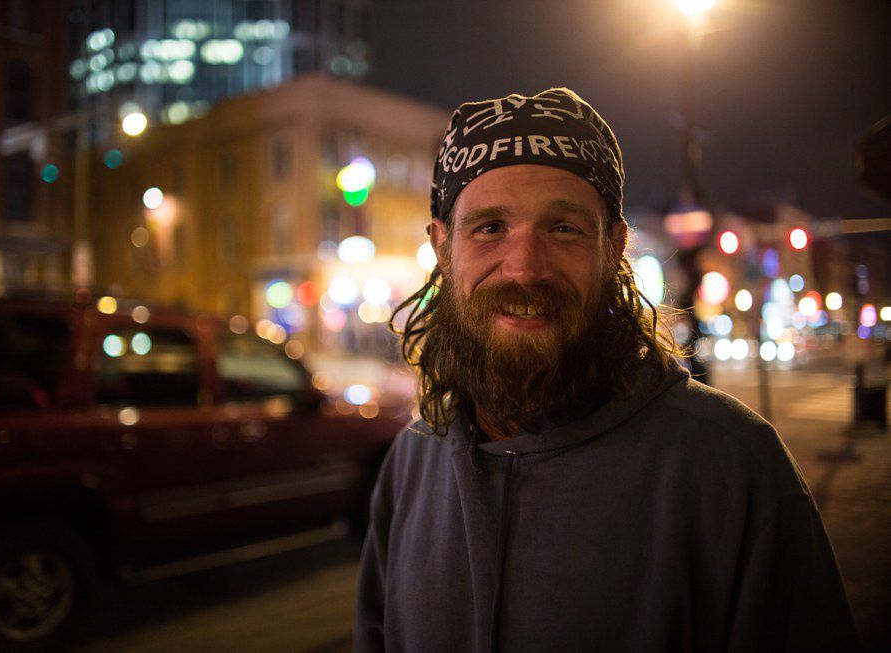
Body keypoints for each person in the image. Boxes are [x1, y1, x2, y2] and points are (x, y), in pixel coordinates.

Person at [353, 88, 860, 652]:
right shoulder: (412, 460)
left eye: (563, 228)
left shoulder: (732, 465)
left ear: (614, 247)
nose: (525, 268)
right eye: (490, 227)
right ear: (442, 247)